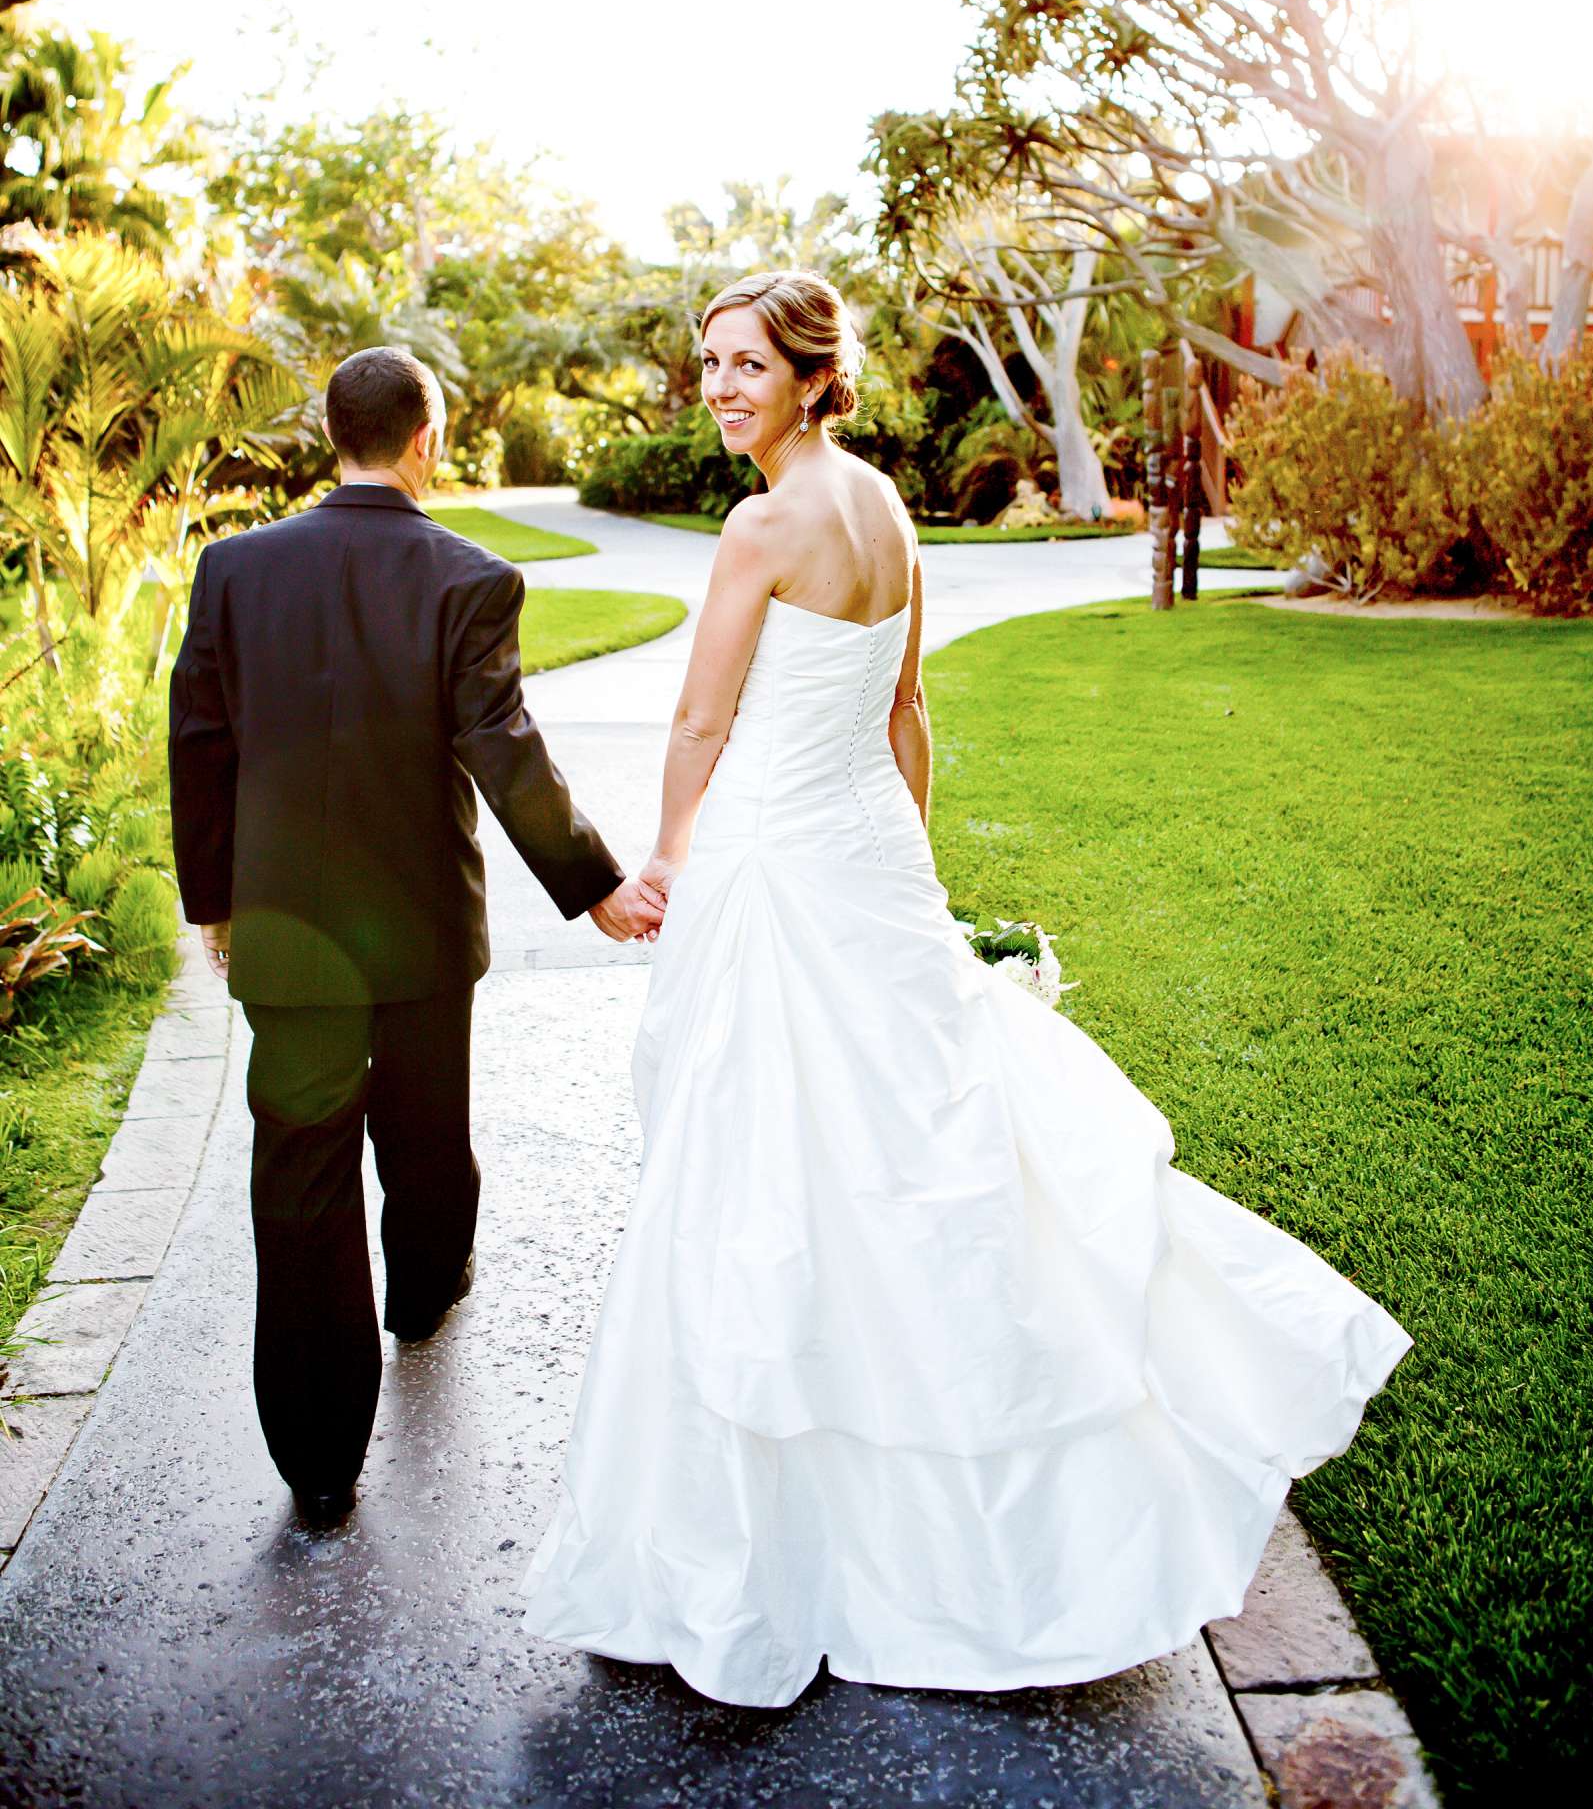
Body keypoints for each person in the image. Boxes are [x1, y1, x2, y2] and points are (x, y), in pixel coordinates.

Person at [520, 271, 1411, 1708]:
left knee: (773, 1175)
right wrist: (907, 874)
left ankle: (768, 1548)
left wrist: (674, 860)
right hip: (862, 850)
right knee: (905, 1160)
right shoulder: (881, 509)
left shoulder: (764, 525)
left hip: (779, 861)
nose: (722, 385)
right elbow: (903, 710)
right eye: (707, 364)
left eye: (749, 363)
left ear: (816, 377)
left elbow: (699, 719)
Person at [168, 345, 662, 1524]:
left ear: (329, 435)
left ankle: (317, 1464)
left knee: (298, 1180)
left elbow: (199, 744)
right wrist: (593, 885)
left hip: (285, 929)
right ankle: (424, 1294)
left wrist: (212, 905)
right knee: (428, 1129)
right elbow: (504, 747)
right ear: (426, 437)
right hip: (426, 928)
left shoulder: (233, 569)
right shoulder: (468, 576)